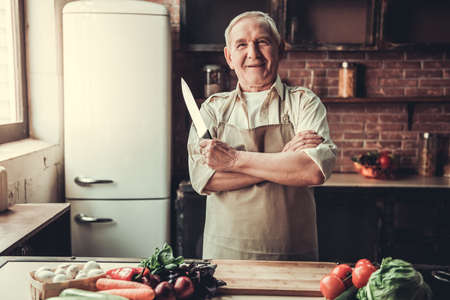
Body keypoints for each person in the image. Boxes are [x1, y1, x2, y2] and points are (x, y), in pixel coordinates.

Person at [187, 11, 337, 261]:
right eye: (242, 45)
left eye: (262, 42)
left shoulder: (304, 102)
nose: (253, 53)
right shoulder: (212, 109)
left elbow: (312, 171)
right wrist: (282, 160)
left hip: (292, 253)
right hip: (226, 255)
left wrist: (233, 160)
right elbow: (204, 179)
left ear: (279, 49)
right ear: (229, 57)